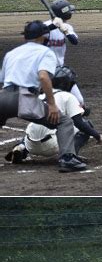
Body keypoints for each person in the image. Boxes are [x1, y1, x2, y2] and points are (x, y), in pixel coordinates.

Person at [0, 21, 86, 172]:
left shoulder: (11, 53)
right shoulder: (46, 52)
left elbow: (2, 79)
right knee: (64, 122)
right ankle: (67, 159)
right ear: (43, 37)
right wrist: (52, 105)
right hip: (24, 99)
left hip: (4, 96)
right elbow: (44, 77)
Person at [5, 66, 102, 166]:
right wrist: (97, 135)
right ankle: (70, 156)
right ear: (66, 83)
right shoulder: (68, 96)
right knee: (86, 125)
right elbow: (79, 122)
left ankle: (22, 148)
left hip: (31, 144)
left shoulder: (40, 96)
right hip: (51, 146)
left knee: (34, 126)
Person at [44, 0, 84, 104]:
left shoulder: (67, 27)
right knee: (48, 103)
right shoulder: (45, 26)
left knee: (80, 101)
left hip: (60, 71)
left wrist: (64, 30)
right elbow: (36, 35)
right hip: (45, 72)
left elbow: (74, 41)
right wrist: (52, 26)